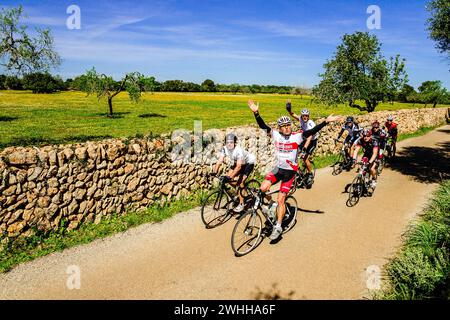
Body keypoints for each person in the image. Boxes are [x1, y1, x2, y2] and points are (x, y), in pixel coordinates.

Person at [249, 99, 341, 240]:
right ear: (279, 128)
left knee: (281, 200)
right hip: (278, 169)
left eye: (288, 125)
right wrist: (256, 113)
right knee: (261, 190)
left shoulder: (297, 137)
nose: (286, 128)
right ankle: (272, 204)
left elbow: (312, 131)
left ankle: (278, 226)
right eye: (283, 126)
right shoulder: (275, 134)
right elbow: (263, 126)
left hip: (290, 173)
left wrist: (325, 122)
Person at [213, 133, 256, 213]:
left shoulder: (238, 150)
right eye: (227, 142)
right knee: (228, 180)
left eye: (231, 142)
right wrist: (215, 171)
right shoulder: (224, 148)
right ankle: (241, 194)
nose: (229, 144)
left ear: (234, 143)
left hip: (248, 163)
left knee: (240, 182)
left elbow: (239, 167)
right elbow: (220, 160)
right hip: (238, 163)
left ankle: (241, 204)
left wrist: (230, 176)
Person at [286, 100, 316, 186]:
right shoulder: (301, 119)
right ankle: (297, 171)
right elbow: (293, 114)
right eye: (303, 116)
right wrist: (288, 109)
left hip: (312, 141)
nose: (305, 117)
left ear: (308, 116)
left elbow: (310, 137)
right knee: (295, 152)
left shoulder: (311, 124)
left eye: (306, 116)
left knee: (305, 158)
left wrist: (305, 148)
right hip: (305, 139)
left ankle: (310, 174)